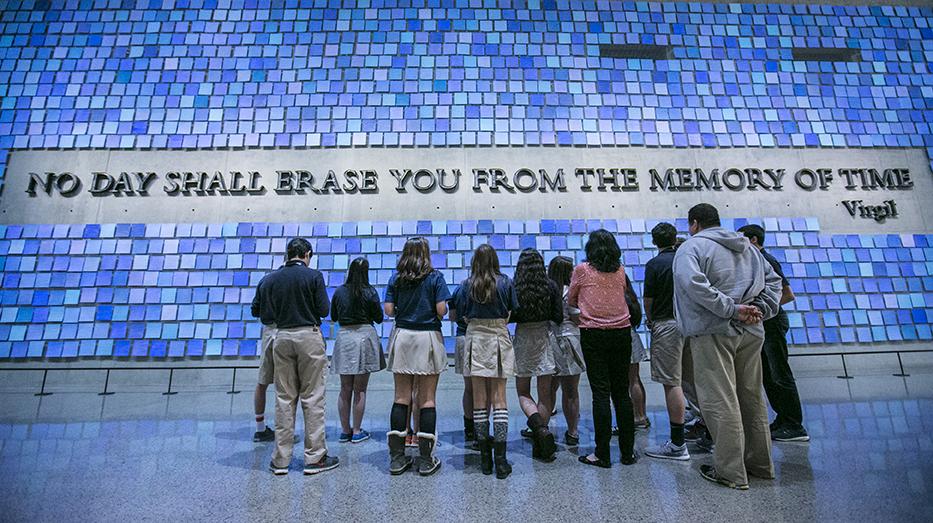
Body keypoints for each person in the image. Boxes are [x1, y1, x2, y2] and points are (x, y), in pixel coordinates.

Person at [674, 203, 782, 489]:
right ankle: (761, 465)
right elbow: (775, 282)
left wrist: (732, 309)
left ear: (694, 223)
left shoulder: (691, 248)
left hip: (713, 331)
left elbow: (694, 286)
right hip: (752, 329)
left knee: (719, 400)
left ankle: (731, 472)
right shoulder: (748, 248)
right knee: (752, 397)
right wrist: (759, 308)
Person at [253, 238, 338, 475]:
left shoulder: (270, 279)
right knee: (313, 397)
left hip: (281, 337)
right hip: (308, 337)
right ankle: (315, 458)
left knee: (284, 398)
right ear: (307, 254)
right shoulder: (313, 276)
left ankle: (280, 460)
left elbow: (262, 312)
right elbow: (323, 310)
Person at [569, 229, 637, 468]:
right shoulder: (620, 270)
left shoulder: (582, 270)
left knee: (600, 393)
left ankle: (602, 453)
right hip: (622, 332)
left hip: (593, 334)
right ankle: (628, 453)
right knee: (622, 392)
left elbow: (571, 300)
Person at [384, 237, 450, 476]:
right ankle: (425, 459)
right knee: (427, 399)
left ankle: (397, 458)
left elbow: (389, 310)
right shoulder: (435, 277)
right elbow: (442, 310)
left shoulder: (396, 278)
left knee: (401, 397)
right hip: (428, 337)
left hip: (403, 337)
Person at [738, 224, 809, 443]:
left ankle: (794, 424)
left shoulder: (766, 261)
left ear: (753, 240)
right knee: (769, 374)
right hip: (765, 323)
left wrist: (761, 310)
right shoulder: (754, 261)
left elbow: (787, 294)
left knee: (779, 372)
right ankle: (783, 418)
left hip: (772, 323)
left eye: (742, 239)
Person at [457, 244, 519, 478]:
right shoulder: (506, 282)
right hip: (498, 336)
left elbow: (459, 314)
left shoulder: (466, 284)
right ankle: (501, 461)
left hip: (475, 337)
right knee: (500, 399)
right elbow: (512, 311)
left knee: (479, 400)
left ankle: (484, 459)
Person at [642, 222, 690, 461]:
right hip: (693, 323)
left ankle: (678, 444)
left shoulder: (654, 264)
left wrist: (649, 320)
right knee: (696, 380)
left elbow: (648, 299)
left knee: (672, 383)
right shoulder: (687, 259)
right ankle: (708, 433)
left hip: (667, 324)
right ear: (675, 238)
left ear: (654, 241)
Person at [511, 248, 563, 462]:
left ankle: (538, 430)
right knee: (545, 394)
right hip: (544, 337)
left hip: (523, 337)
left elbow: (510, 315)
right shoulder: (550, 286)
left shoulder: (515, 288)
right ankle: (543, 431)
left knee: (523, 392)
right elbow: (558, 316)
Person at [330, 257, 385, 444]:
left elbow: (334, 316)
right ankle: (357, 431)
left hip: (344, 338)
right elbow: (379, 318)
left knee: (344, 388)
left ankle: (344, 431)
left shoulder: (339, 292)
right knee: (360, 390)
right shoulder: (370, 292)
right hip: (365, 337)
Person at [547, 255, 585, 446]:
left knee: (548, 389)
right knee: (571, 390)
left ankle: (541, 429)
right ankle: (573, 432)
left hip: (549, 341)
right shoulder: (571, 292)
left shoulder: (545, 291)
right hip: (570, 340)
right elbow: (578, 319)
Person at [250, 261, 281, 442]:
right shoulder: (291, 281)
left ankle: (260, 428)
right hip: (286, 331)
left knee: (262, 381)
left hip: (268, 331)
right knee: (285, 385)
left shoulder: (265, 280)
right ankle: (283, 429)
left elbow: (255, 310)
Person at [448, 284, 475, 444]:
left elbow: (452, 317)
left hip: (463, 337)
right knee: (486, 389)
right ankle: (482, 428)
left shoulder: (459, 289)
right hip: (484, 337)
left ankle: (469, 428)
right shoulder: (494, 284)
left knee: (469, 388)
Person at [626, 275, 650, 430]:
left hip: (623, 338)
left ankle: (637, 417)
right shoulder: (631, 297)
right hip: (632, 337)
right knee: (634, 379)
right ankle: (641, 415)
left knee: (630, 381)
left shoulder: (618, 297)